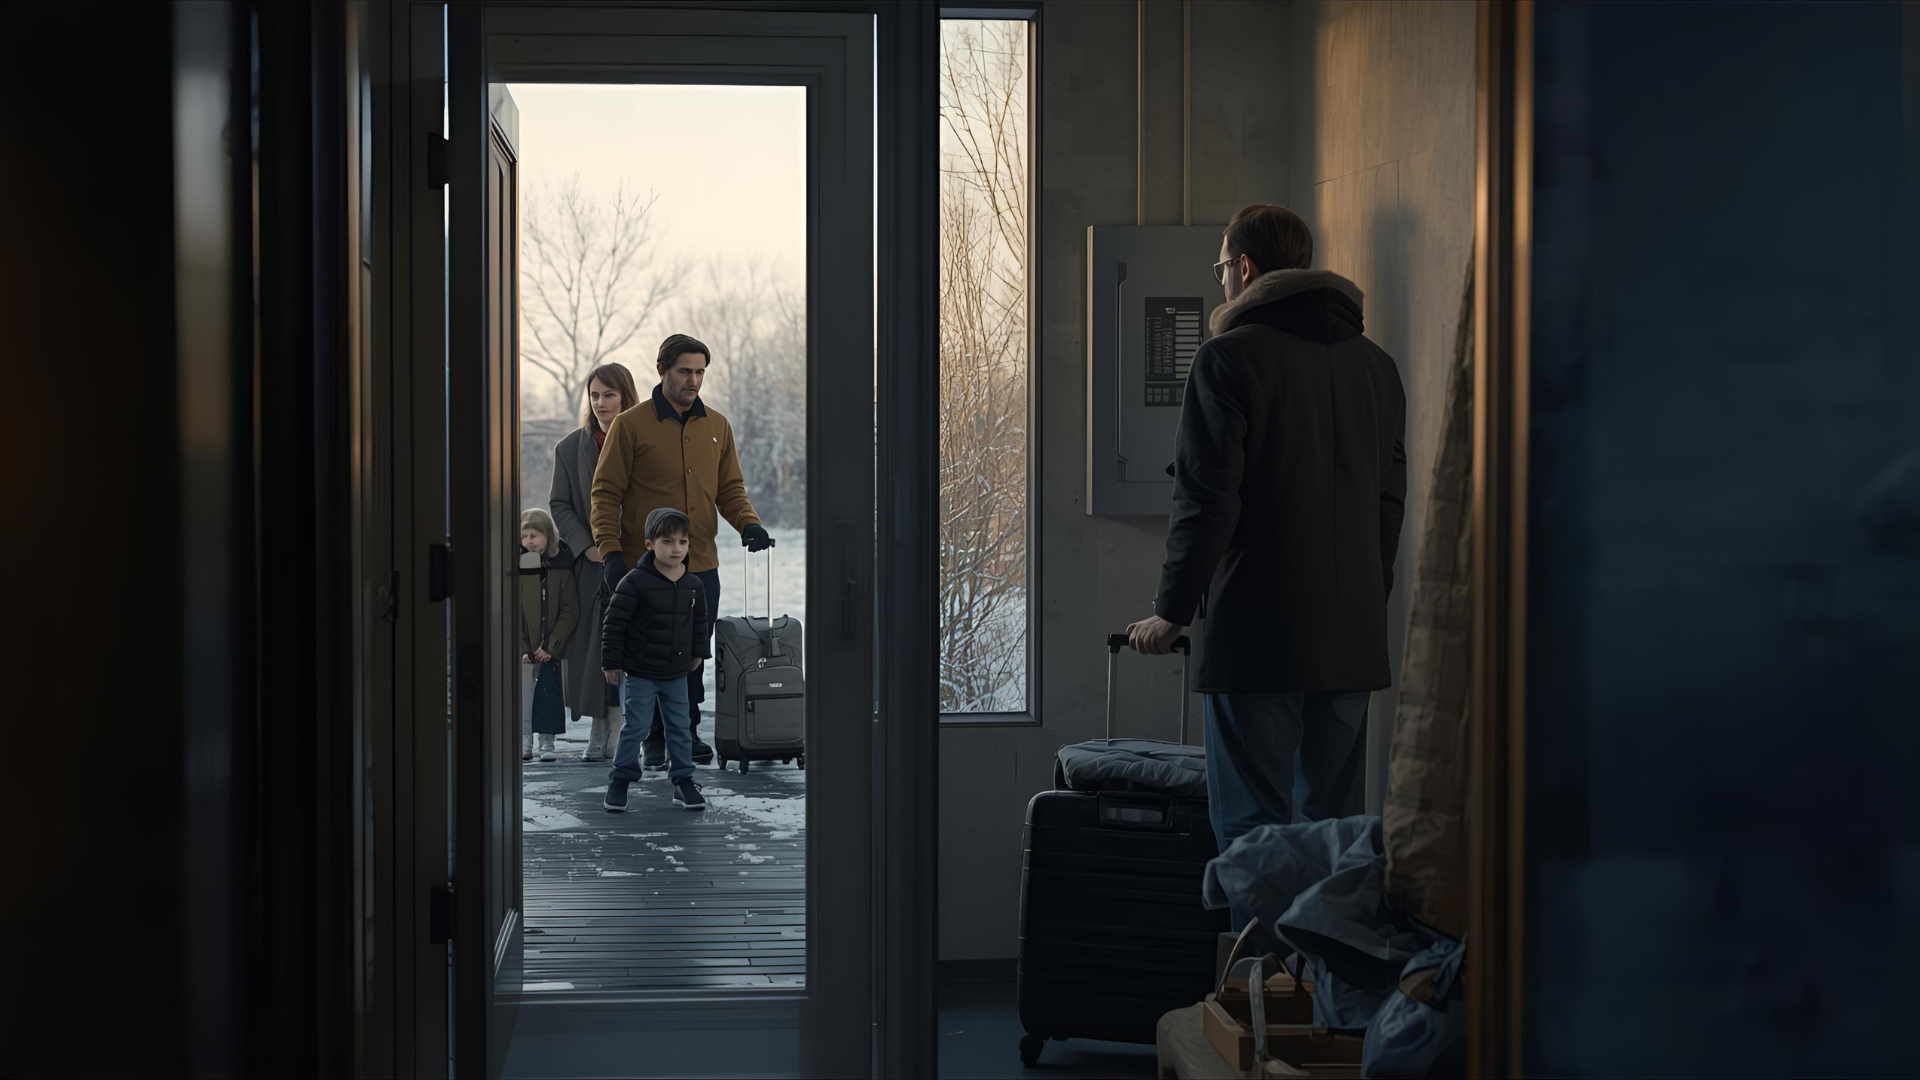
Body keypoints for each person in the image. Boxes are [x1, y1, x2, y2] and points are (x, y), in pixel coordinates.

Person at [1126, 204, 1408, 922]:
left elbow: (1206, 499)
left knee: (1253, 834)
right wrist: (1364, 606)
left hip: (1259, 638)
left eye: (1222, 266)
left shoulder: (1228, 358)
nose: (1222, 279)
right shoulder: (1377, 367)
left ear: (1245, 268)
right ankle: (1318, 1010)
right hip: (1350, 643)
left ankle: (1257, 1004)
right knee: (1332, 839)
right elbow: (1387, 505)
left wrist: (1171, 609)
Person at [589, 334, 774, 770]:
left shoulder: (717, 425)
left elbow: (730, 490)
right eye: (685, 371)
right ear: (662, 371)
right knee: (650, 653)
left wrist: (748, 523)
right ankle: (655, 738)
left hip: (701, 565)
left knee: (692, 651)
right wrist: (611, 551)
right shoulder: (630, 425)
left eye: (700, 372)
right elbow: (605, 493)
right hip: (645, 568)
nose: (693, 380)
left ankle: (685, 733)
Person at [550, 361, 641, 763]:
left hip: (637, 560)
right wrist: (587, 545)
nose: (601, 402)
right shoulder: (570, 448)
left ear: (626, 396)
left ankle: (623, 725)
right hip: (589, 565)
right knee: (591, 649)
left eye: (610, 394)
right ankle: (597, 726)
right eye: (595, 395)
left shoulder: (643, 440)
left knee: (631, 645)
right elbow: (560, 503)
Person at [603, 507, 712, 812]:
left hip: (677, 673)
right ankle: (621, 779)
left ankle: (682, 781)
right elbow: (614, 623)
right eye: (667, 541)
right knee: (635, 727)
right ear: (650, 544)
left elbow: (700, 622)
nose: (676, 548)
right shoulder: (634, 582)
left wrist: (698, 653)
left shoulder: (693, 584)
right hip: (640, 672)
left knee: (680, 726)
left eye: (682, 542)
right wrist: (611, 662)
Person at [518, 508, 580, 763]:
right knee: (523, 698)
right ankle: (524, 742)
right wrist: (522, 647)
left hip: (549, 649)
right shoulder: (518, 568)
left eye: (536, 535)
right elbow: (513, 612)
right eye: (525, 536)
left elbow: (570, 609)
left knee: (548, 694)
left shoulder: (562, 567)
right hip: (525, 649)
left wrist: (552, 647)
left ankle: (547, 742)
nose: (530, 541)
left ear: (548, 536)